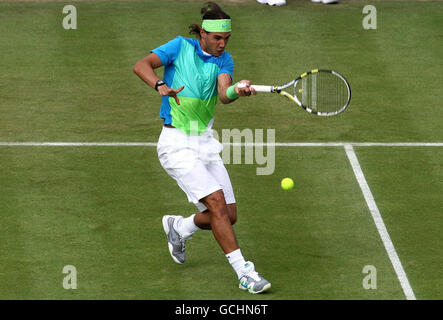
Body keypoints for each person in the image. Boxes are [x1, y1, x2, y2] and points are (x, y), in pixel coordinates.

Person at [133, 2, 271, 294]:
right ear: (204, 34)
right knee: (218, 204)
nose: (222, 44)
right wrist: (159, 85)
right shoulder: (179, 46)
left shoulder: (225, 61)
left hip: (205, 143)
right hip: (176, 144)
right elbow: (141, 65)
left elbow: (224, 94)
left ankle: (179, 228)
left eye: (227, 39)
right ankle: (245, 272)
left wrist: (238, 89)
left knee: (228, 215)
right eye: (218, 39)